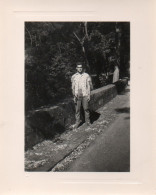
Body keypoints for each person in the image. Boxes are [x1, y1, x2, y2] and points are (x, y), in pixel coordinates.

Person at [71, 63, 93, 128]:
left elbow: (89, 86)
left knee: (86, 108)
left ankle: (88, 122)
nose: (80, 68)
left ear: (82, 68)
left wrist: (89, 95)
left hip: (85, 94)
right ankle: (77, 122)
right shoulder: (74, 76)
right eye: (78, 67)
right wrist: (74, 96)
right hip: (77, 94)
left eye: (81, 67)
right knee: (77, 109)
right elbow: (73, 87)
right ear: (76, 68)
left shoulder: (86, 75)